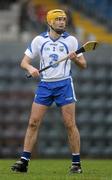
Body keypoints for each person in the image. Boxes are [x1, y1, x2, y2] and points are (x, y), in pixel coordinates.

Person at [11, 9, 87, 174]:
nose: (62, 22)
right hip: (45, 85)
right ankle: (24, 161)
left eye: (63, 19)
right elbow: (24, 62)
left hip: (64, 84)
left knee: (69, 124)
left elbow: (83, 65)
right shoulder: (39, 40)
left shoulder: (71, 40)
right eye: (58, 19)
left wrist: (75, 59)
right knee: (33, 123)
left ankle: (76, 164)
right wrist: (31, 68)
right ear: (50, 22)